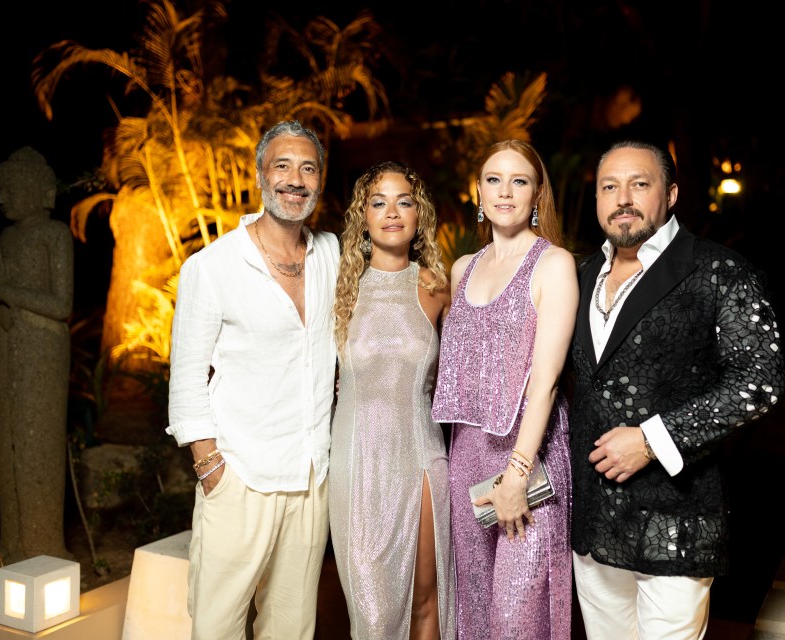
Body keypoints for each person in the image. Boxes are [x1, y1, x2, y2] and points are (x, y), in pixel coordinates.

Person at [567, 140, 785, 639]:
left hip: (677, 521)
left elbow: (759, 383)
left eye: (639, 184)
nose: (622, 198)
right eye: (609, 186)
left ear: (670, 194)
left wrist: (650, 440)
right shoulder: (578, 275)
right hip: (593, 521)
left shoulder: (719, 271)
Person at [165, 120, 340, 640]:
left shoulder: (332, 255)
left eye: (308, 167)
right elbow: (187, 375)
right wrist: (209, 464)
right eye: (282, 165)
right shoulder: (213, 266)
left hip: (312, 477)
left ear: (320, 181)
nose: (295, 178)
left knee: (291, 628)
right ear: (261, 175)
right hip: (239, 474)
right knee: (217, 626)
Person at [431, 139, 578, 639]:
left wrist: (517, 473)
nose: (505, 192)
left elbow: (547, 381)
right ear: (479, 190)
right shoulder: (462, 269)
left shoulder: (553, 263)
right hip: (467, 454)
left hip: (527, 455)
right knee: (473, 606)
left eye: (519, 181)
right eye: (494, 179)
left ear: (538, 194)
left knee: (519, 616)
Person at [329, 160, 455, 639]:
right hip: (355, 464)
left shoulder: (437, 288)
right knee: (373, 613)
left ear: (419, 214)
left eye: (405, 201)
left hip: (420, 458)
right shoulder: (339, 289)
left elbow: (467, 375)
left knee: (426, 601)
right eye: (378, 202)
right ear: (362, 216)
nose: (392, 212)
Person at [0, 146, 74, 562]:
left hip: (42, 349)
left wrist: (5, 293)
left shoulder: (55, 235)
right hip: (6, 345)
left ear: (40, 190)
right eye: (1, 189)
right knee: (8, 441)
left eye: (12, 187)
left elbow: (61, 305)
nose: (4, 197)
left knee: (39, 444)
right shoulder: (8, 237)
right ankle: (12, 539)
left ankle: (43, 542)